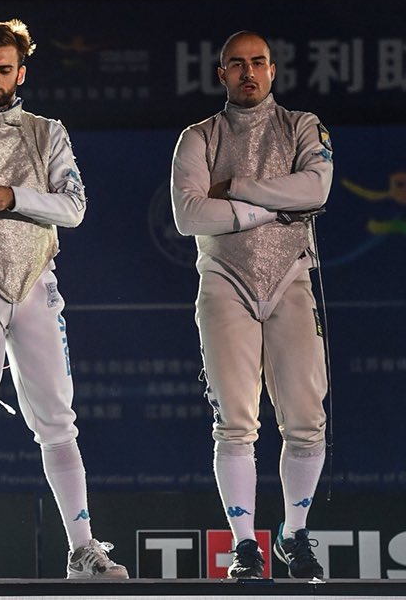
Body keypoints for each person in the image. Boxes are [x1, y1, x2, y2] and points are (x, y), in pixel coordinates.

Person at [0, 19, 127, 580]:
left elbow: (74, 207)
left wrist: (12, 196)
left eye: (4, 70)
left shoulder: (47, 133)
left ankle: (82, 548)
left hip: (36, 282)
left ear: (21, 73)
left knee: (57, 418)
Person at [171, 30, 332, 579]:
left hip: (291, 278)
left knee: (306, 419)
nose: (248, 72)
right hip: (225, 282)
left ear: (272, 70)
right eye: (237, 64)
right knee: (235, 423)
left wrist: (237, 186)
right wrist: (276, 206)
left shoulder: (301, 126)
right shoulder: (199, 137)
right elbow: (190, 216)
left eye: (257, 62)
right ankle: (245, 546)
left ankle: (296, 534)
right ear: (222, 74)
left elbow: (316, 190)